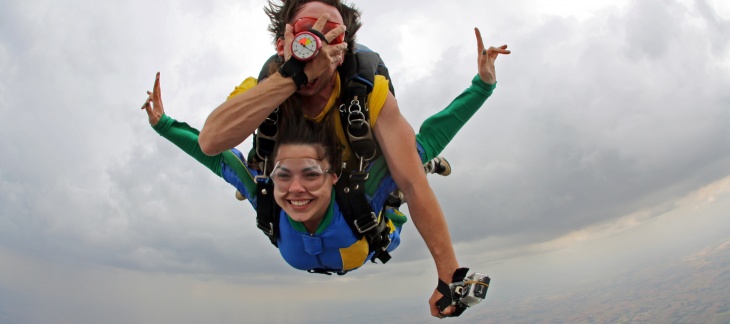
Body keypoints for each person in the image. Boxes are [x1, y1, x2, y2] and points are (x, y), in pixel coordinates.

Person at [192, 0, 509, 316]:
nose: (318, 49)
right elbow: (211, 141)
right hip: (303, 180)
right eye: (307, 37)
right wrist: (292, 77)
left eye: (331, 37)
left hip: (362, 184)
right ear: (283, 45)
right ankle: (264, 171)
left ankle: (419, 169)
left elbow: (412, 183)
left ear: (342, 52)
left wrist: (448, 274)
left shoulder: (367, 92)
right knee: (265, 172)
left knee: (410, 160)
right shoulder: (264, 88)